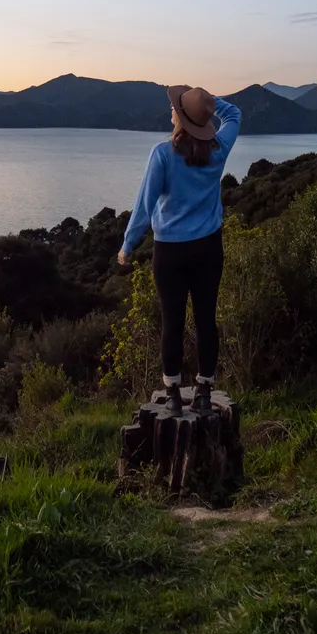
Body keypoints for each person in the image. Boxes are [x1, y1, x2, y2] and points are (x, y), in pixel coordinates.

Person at [118, 86, 242, 415]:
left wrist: (128, 245)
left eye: (176, 109)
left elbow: (145, 204)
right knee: (205, 319)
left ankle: (172, 394)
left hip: (170, 253)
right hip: (208, 249)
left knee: (171, 321)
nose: (171, 111)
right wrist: (209, 103)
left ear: (182, 120)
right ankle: (203, 390)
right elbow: (234, 114)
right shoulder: (220, 148)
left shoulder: (162, 154)